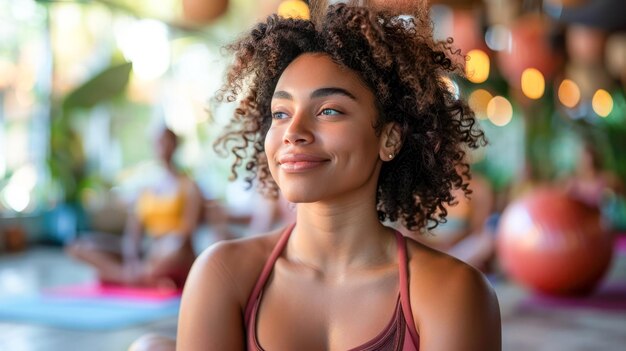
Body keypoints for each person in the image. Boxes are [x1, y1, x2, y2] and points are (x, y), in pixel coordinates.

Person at [178, 2, 501, 350]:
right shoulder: (222, 276)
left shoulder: (453, 291)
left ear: (389, 139)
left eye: (329, 110)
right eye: (281, 113)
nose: (293, 132)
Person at [67, 127, 202, 289]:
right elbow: (133, 232)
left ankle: (118, 276)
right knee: (79, 245)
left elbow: (187, 232)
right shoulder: (146, 188)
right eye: (158, 143)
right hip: (149, 250)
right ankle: (132, 277)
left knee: (174, 246)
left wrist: (161, 248)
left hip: (173, 251)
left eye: (167, 142)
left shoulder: (189, 186)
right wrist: (131, 258)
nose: (163, 147)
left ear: (175, 145)